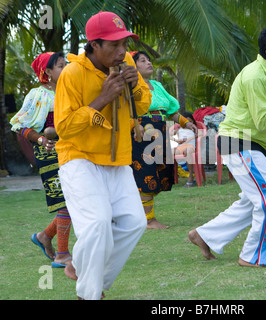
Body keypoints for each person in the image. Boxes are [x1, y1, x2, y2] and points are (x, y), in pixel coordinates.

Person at [188, 24, 266, 267]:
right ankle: (253, 256)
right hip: (239, 141)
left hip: (252, 145)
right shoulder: (255, 76)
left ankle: (204, 235)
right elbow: (265, 119)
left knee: (253, 200)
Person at [54, 11, 151, 300]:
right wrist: (101, 100)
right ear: (94, 45)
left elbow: (143, 106)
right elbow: (64, 127)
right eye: (113, 45)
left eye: (124, 43)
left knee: (135, 222)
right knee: (97, 223)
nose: (122, 51)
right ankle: (89, 294)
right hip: (78, 157)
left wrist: (134, 86)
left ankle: (82, 268)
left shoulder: (127, 64)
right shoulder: (72, 74)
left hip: (117, 159)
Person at [10, 52, 73, 268]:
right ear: (47, 72)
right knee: (65, 202)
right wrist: (39, 139)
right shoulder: (38, 95)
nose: (66, 69)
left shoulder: (70, 91)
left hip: (73, 150)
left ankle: (45, 237)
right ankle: (62, 255)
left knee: (75, 199)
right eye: (61, 66)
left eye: (66, 65)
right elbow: (19, 124)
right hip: (49, 153)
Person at [131, 51, 198, 229]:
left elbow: (171, 111)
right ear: (133, 66)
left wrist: (186, 123)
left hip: (160, 131)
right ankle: (148, 220)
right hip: (142, 133)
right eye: (142, 61)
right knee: (147, 174)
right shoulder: (131, 86)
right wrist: (138, 126)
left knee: (160, 175)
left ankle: (140, 214)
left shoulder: (157, 86)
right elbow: (126, 110)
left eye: (149, 60)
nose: (148, 63)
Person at [171, 111, 198, 187]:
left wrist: (189, 139)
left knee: (188, 150)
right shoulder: (179, 129)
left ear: (193, 121)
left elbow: (200, 135)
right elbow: (168, 135)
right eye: (185, 121)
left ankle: (190, 175)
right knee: (169, 152)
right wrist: (176, 140)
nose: (188, 123)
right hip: (180, 146)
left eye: (190, 121)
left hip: (190, 147)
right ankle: (170, 175)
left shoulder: (193, 129)